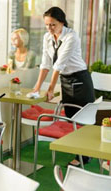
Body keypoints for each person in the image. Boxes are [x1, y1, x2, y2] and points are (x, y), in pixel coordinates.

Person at [31, 7, 95, 166]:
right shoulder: (47, 37)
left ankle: (84, 156)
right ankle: (79, 152)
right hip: (66, 80)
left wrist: (51, 88)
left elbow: (59, 64)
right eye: (47, 25)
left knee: (82, 120)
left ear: (61, 22)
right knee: (71, 118)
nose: (49, 28)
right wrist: (37, 87)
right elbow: (45, 63)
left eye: (53, 25)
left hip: (80, 80)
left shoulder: (71, 37)